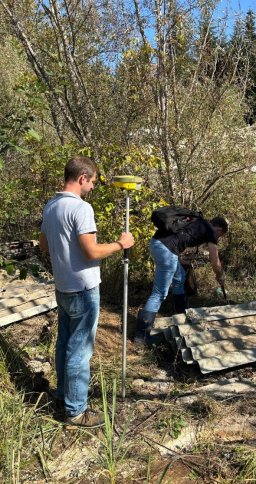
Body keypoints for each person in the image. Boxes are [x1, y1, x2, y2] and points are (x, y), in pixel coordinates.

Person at [39, 156, 134, 428]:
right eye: (91, 182)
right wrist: (120, 243)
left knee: (65, 344)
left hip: (63, 287)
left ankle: (64, 394)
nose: (92, 187)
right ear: (82, 178)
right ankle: (76, 411)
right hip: (83, 288)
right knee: (80, 351)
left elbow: (44, 247)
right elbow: (91, 251)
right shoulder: (81, 209)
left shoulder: (51, 205)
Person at [135, 215, 229, 345]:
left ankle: (182, 317)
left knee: (179, 278)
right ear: (219, 229)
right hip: (166, 250)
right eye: (220, 235)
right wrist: (220, 275)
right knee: (159, 293)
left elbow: (179, 238)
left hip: (157, 244)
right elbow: (215, 261)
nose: (218, 238)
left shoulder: (197, 222)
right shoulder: (210, 231)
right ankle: (142, 336)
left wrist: (178, 259)